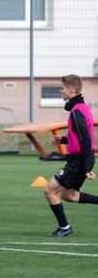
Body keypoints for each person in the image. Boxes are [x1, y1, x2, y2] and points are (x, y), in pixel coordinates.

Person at [44, 75, 96, 237]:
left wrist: (87, 167)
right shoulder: (79, 108)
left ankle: (64, 228)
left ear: (72, 90)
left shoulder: (77, 111)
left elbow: (86, 140)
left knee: (49, 191)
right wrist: (64, 139)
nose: (60, 91)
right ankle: (65, 227)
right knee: (69, 195)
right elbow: (79, 136)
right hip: (78, 160)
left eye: (62, 88)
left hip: (78, 161)